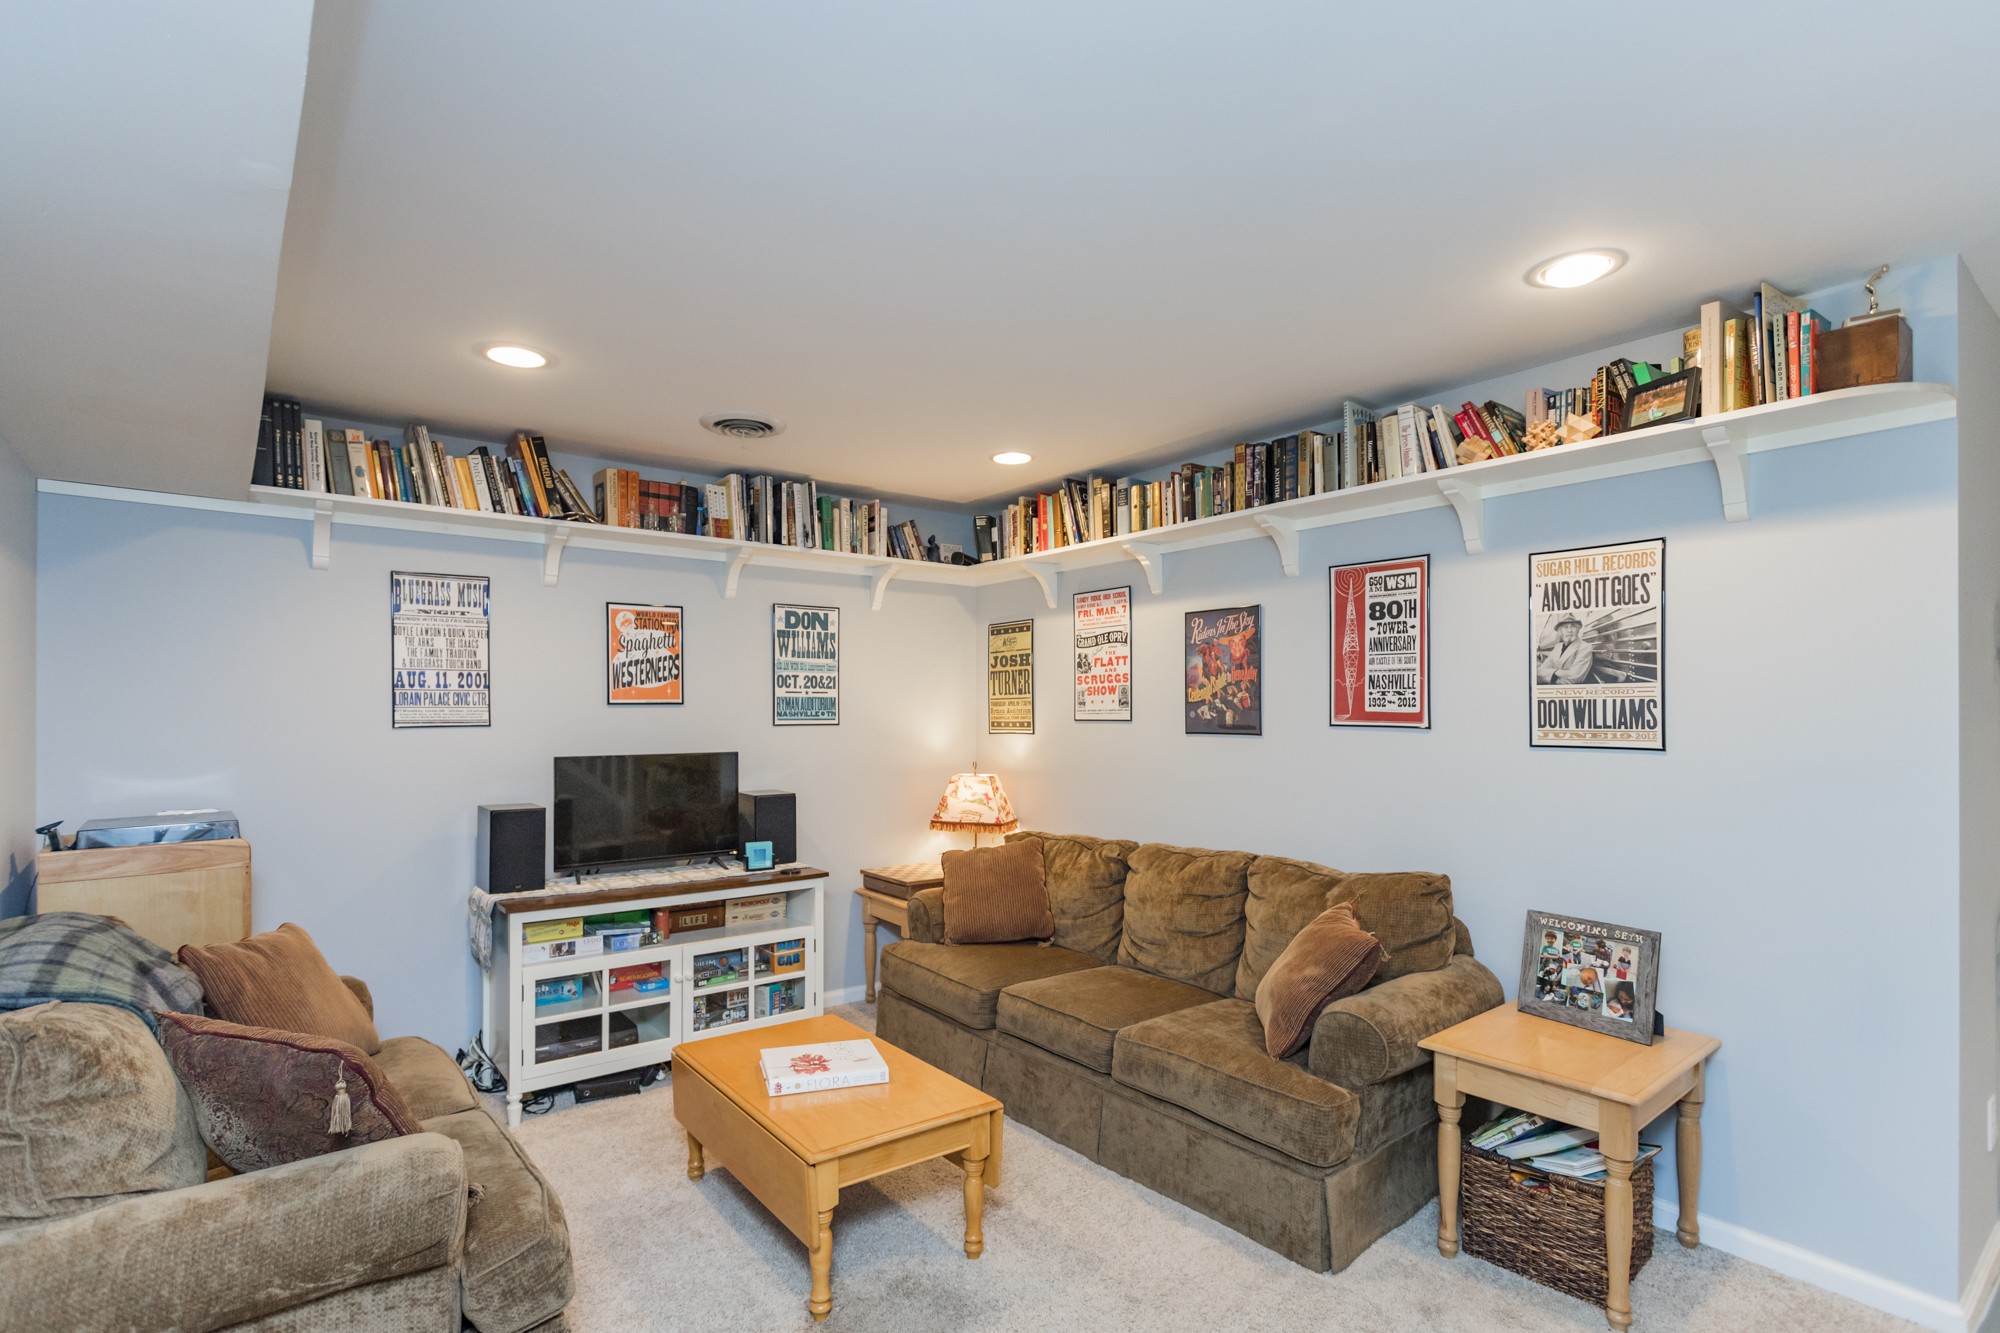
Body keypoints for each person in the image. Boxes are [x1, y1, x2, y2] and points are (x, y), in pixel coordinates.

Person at [1536, 613, 1595, 684]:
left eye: (1573, 626)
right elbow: (1539, 670)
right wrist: (1558, 672)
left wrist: (1550, 675)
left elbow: (1573, 680)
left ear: (1578, 630)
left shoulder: (1585, 647)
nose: (1569, 630)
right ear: (1560, 631)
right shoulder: (1558, 647)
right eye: (1565, 627)